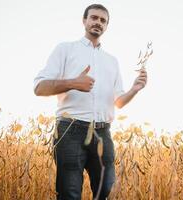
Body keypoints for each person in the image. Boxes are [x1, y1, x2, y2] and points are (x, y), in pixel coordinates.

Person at [33, 4, 147, 200]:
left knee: (107, 191)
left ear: (106, 26)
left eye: (103, 20)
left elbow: (118, 102)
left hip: (103, 133)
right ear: (84, 20)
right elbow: (39, 88)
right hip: (70, 131)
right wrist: (73, 83)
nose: (98, 23)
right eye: (94, 18)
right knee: (69, 194)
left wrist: (134, 90)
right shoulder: (65, 49)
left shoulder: (112, 61)